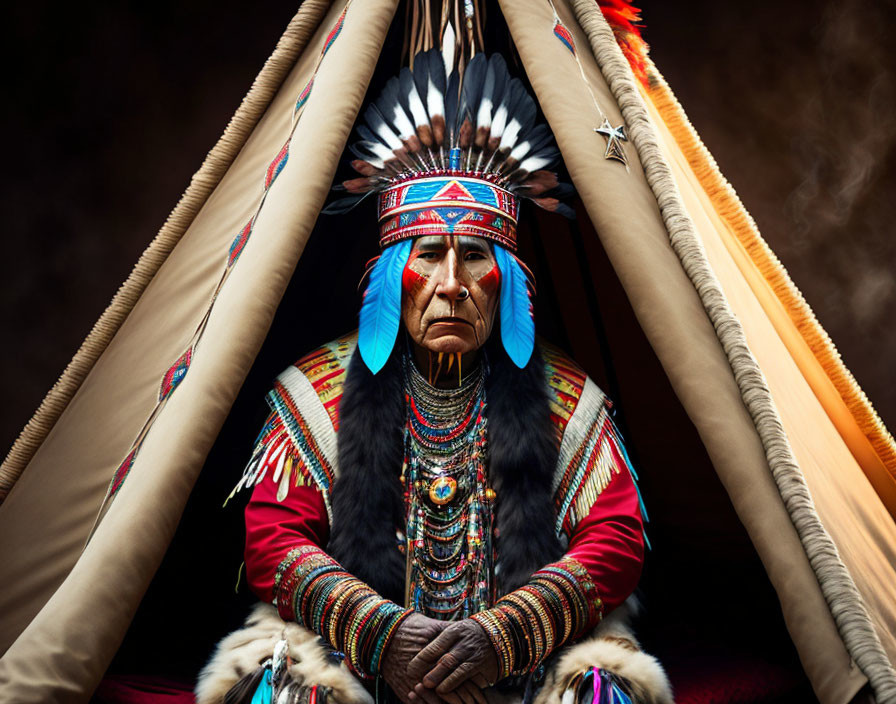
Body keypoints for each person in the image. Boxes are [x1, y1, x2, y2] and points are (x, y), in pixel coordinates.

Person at [198, 42, 669, 704]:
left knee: (602, 693)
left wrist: (503, 634)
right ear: (392, 275)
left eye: (475, 256)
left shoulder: (567, 400)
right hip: (350, 661)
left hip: (526, 669)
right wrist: (381, 634)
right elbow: (273, 538)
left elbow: (617, 539)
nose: (451, 285)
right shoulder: (316, 392)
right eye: (429, 256)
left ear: (507, 282)